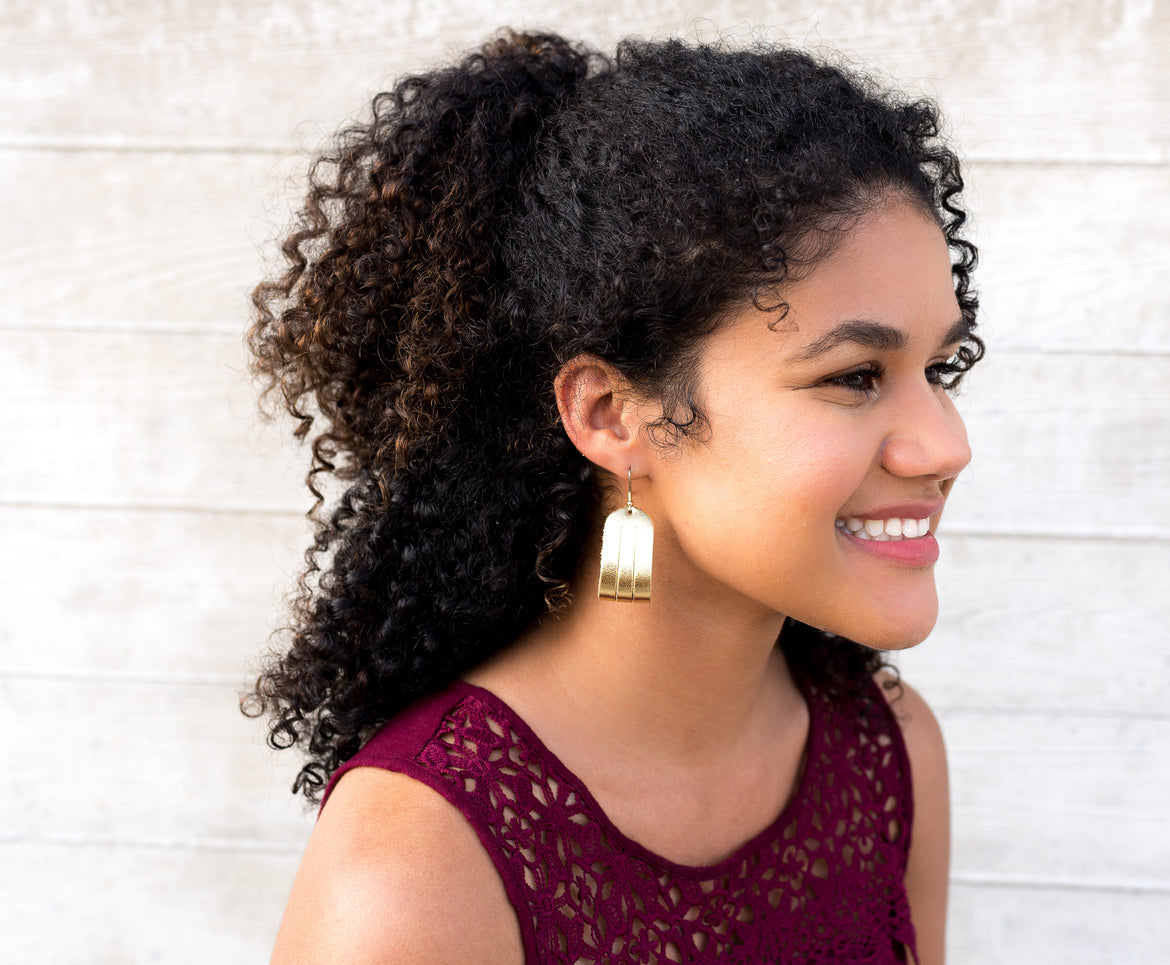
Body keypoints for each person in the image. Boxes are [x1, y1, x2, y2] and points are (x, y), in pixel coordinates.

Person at [245, 29, 983, 965]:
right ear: (610, 415)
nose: (947, 446)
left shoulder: (888, 749)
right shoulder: (421, 853)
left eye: (938, 366)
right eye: (852, 376)